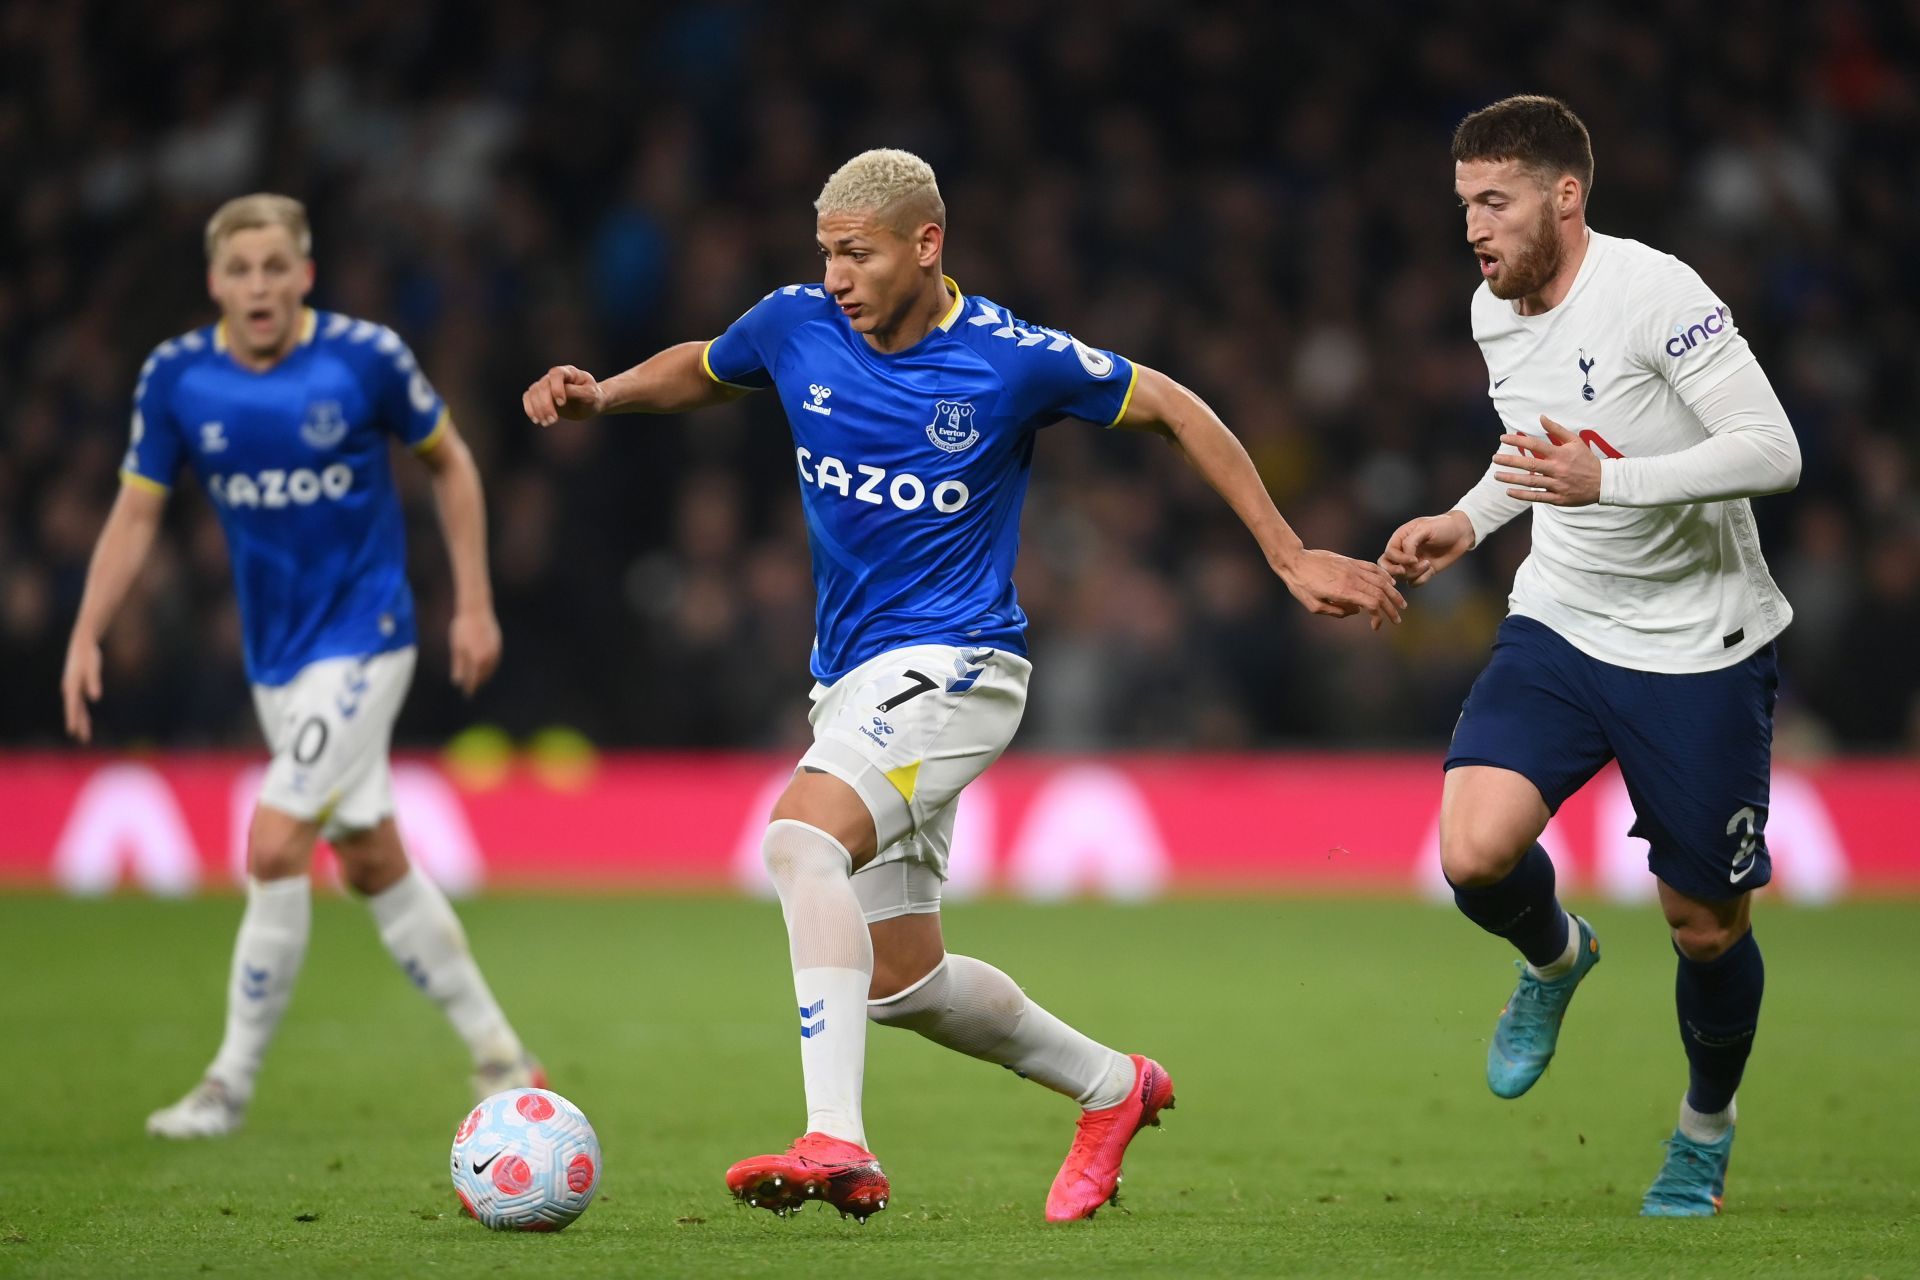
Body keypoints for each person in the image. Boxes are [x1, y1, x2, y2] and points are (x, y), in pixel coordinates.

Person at [524, 148, 1404, 1222]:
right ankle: (1112, 1086)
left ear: (926, 244)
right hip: (848, 678)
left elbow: (1171, 404)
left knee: (800, 841)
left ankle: (836, 1138)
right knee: (901, 982)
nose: (838, 276)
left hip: (960, 662)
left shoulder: (1008, 357)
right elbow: (707, 367)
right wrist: (603, 395)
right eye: (827, 254)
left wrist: (1285, 551)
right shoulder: (794, 323)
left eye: (858, 253)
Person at [1380, 97, 1800, 1216]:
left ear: (1567, 196)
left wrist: (1607, 482)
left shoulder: (1656, 294)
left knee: (1704, 926)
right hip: (1563, 618)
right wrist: (1465, 523)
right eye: (1465, 202)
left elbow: (1774, 450)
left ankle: (1703, 1129)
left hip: (1698, 645)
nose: (1474, 225)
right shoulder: (1494, 310)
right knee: (1472, 854)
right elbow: (1535, 447)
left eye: (1495, 200)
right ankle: (1557, 956)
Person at [63, 194, 544, 1138]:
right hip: (276, 659)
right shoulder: (177, 378)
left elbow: (451, 464)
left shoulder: (365, 359)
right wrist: (88, 627)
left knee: (274, 841)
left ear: (304, 275)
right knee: (371, 862)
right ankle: (502, 1053)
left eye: (275, 268)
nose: (259, 287)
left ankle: (226, 1085)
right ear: (216, 283)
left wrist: (475, 601)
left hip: (368, 636)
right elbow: (135, 509)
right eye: (241, 271)